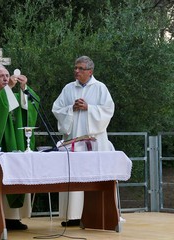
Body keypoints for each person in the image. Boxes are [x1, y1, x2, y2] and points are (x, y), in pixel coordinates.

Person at [52, 55, 115, 227]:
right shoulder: (68, 89)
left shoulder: (100, 88)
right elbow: (56, 108)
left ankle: (96, 213)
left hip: (94, 141)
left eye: (80, 68)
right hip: (74, 140)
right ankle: (72, 216)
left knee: (93, 175)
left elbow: (108, 110)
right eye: (75, 68)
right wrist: (71, 109)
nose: (76, 71)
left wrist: (89, 108)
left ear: (90, 71)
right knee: (74, 175)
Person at [0, 65, 39, 230]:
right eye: (1, 76)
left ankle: (15, 217)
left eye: (7, 75)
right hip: (0, 146)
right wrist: (10, 88)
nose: (6, 78)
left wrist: (24, 88)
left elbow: (31, 106)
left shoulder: (12, 96)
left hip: (17, 143)